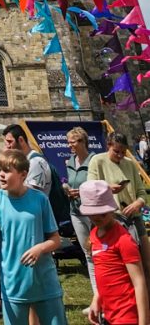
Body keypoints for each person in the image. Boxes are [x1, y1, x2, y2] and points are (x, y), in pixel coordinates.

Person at [0, 149, 66, 325]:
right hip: (13, 283)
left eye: (7, 171)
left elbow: (55, 239)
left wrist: (40, 248)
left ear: (23, 174)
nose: (1, 175)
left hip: (45, 282)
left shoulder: (40, 199)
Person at [79, 180, 149, 325]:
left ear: (111, 209)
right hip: (109, 314)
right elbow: (103, 275)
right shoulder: (94, 234)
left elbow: (139, 283)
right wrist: (96, 300)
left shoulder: (124, 240)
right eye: (92, 214)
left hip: (127, 315)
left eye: (102, 214)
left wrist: (144, 322)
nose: (97, 218)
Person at [88, 131, 150, 286]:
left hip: (135, 218)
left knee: (146, 262)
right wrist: (108, 188)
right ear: (108, 145)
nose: (120, 155)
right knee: (124, 265)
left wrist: (138, 203)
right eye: (116, 151)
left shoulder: (129, 163)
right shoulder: (97, 161)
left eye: (123, 152)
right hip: (112, 220)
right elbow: (91, 187)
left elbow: (142, 192)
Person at [64, 127, 98, 299]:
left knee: (99, 251)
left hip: (93, 212)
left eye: (72, 142)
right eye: (68, 142)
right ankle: (97, 294)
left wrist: (82, 192)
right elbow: (71, 182)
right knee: (88, 252)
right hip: (76, 212)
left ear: (83, 142)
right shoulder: (69, 161)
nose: (69, 145)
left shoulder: (94, 160)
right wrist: (67, 190)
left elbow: (98, 186)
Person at [2, 124, 51, 193]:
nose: (8, 146)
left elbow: (31, 194)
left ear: (21, 140)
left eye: (10, 141)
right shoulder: (23, 161)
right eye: (6, 142)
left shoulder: (35, 162)